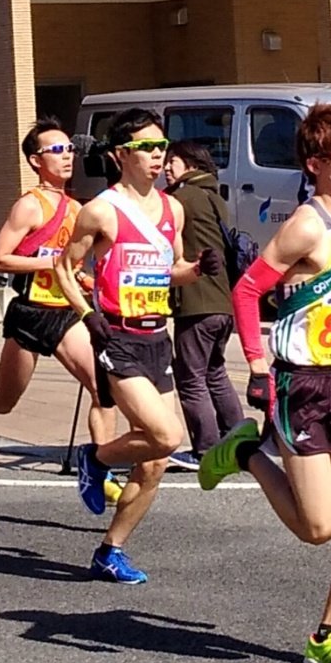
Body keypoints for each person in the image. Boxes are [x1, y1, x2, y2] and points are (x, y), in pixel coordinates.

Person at [198, 103, 331, 663]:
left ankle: (327, 635)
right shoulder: (304, 226)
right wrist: (258, 365)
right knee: (319, 528)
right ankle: (245, 452)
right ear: (315, 164)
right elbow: (246, 291)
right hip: (300, 384)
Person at [54, 106, 220, 584]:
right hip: (118, 336)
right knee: (166, 434)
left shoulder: (174, 208)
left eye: (162, 146)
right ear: (121, 154)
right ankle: (96, 456)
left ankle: (111, 549)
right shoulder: (100, 210)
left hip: (155, 334)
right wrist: (88, 316)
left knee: (156, 462)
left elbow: (171, 268)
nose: (158, 155)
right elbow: (66, 269)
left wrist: (200, 269)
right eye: (148, 147)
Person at [0, 117, 113, 470]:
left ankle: (100, 465)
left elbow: (73, 266)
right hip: (30, 312)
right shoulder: (30, 205)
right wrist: (52, 266)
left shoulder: (78, 209)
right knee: (4, 400)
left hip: (65, 311)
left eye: (70, 149)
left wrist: (83, 279)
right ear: (35, 160)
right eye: (56, 150)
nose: (66, 156)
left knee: (102, 387)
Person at [165, 140, 245, 455]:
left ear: (192, 164)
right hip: (222, 301)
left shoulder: (180, 199)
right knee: (215, 372)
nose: (166, 167)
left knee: (191, 377)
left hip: (195, 299)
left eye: (174, 161)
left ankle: (206, 448)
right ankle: (237, 440)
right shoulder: (214, 197)